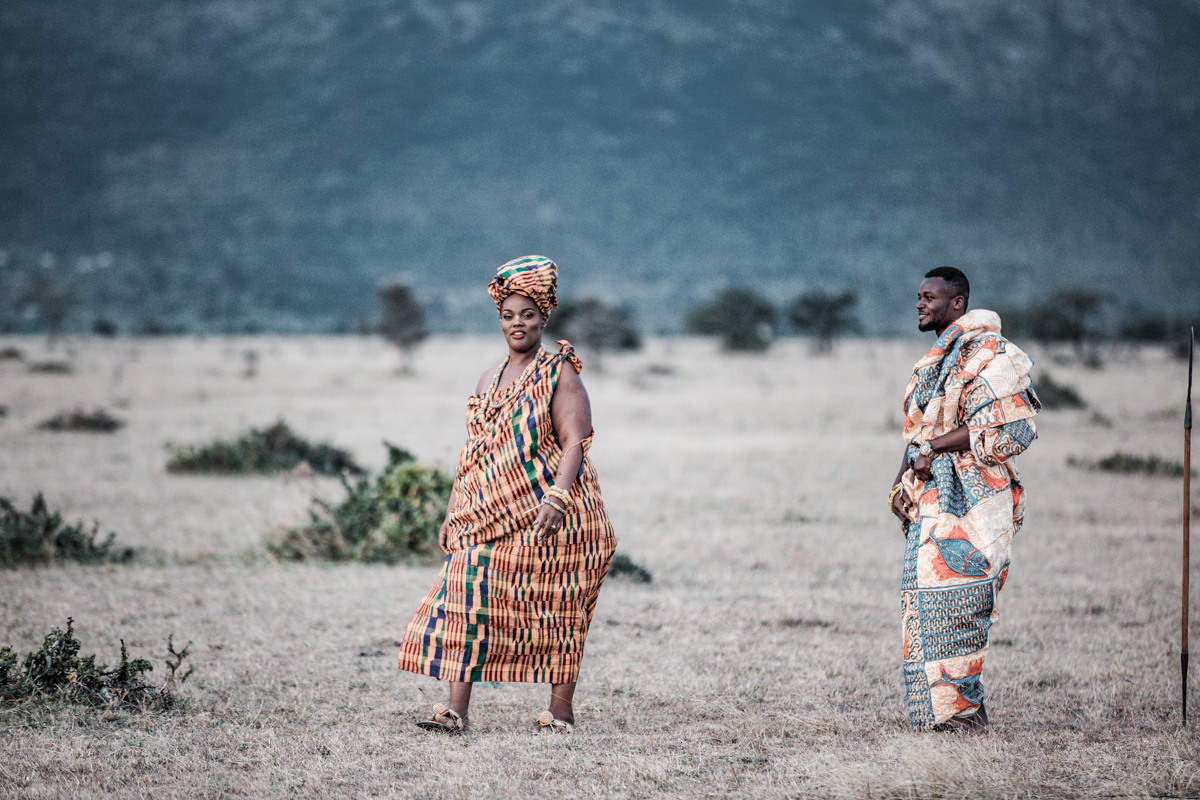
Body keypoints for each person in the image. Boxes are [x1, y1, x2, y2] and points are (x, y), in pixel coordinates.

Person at [398, 255, 616, 735]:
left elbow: (576, 440)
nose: (518, 324)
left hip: (555, 515)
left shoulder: (560, 372)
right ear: (499, 319)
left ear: (545, 316)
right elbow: (473, 453)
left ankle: (560, 714)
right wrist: (454, 510)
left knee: (560, 608)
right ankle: (455, 711)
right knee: (465, 592)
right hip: (489, 515)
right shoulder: (487, 379)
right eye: (509, 315)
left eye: (528, 315)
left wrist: (557, 498)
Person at [887, 267, 1040, 733]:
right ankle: (946, 716)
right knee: (924, 606)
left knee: (964, 603)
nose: (920, 303)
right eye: (918, 296)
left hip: (975, 499)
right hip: (930, 498)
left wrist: (933, 451)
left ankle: (963, 715)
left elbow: (1011, 429)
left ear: (958, 303)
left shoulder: (992, 353)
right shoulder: (934, 362)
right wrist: (898, 486)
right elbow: (920, 437)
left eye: (930, 296)